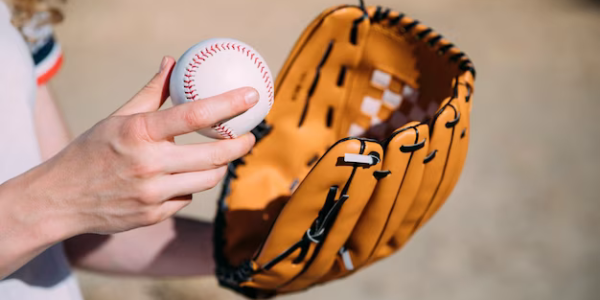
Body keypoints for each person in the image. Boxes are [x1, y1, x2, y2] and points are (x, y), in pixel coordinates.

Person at [0, 1, 257, 299]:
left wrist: (255, 251)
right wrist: (65, 198)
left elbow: (74, 236)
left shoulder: (19, 8)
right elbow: (61, 208)